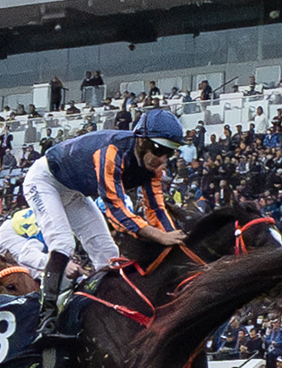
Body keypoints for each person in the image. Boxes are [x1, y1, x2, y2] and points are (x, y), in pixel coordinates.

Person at [23, 108, 186, 339]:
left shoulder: (154, 168)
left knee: (109, 255)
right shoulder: (112, 151)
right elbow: (116, 210)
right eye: (158, 149)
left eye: (169, 152)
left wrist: (175, 240)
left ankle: (104, 315)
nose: (162, 159)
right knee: (63, 243)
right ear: (141, 140)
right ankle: (45, 319)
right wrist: (159, 236)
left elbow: (157, 209)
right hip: (44, 181)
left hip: (75, 192)